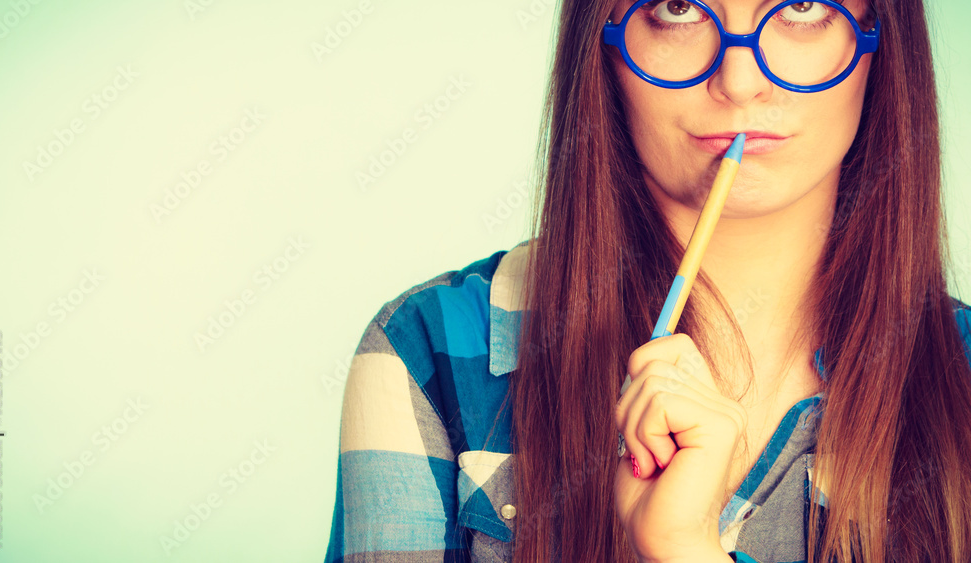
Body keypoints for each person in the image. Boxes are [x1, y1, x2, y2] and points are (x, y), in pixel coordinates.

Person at [324, 0, 971, 561]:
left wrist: (685, 550)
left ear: (878, 37)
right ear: (601, 42)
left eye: (802, 6)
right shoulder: (428, 352)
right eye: (679, 7)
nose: (740, 81)